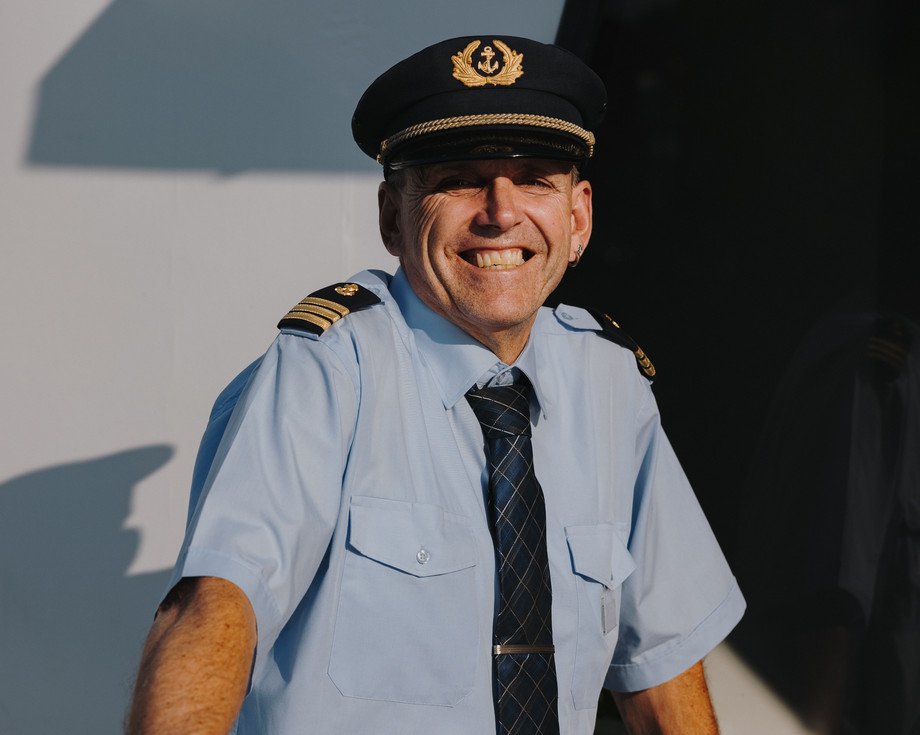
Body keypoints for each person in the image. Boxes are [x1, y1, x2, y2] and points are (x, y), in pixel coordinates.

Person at [128, 35, 744, 735]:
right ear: (393, 216)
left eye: (535, 176)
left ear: (578, 219)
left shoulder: (612, 385)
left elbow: (663, 671)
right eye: (458, 177)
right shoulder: (328, 371)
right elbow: (214, 607)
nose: (500, 211)